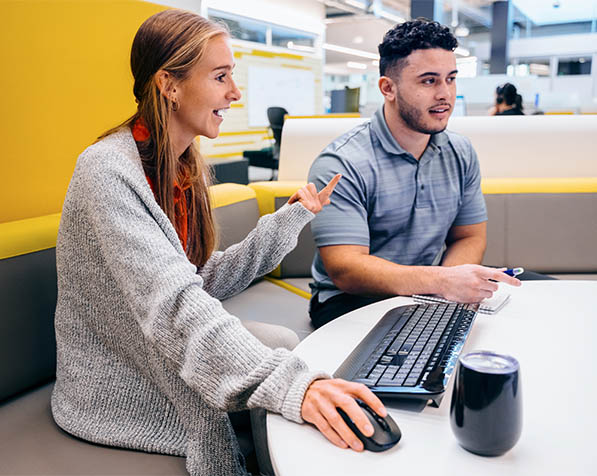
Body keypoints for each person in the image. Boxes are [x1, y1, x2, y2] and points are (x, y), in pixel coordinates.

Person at [51, 9, 386, 476]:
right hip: (114, 377)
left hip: (154, 343)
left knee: (284, 343)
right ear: (170, 85)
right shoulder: (106, 171)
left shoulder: (183, 168)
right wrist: (298, 388)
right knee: (280, 382)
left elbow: (201, 281)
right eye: (221, 76)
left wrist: (289, 220)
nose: (235, 93)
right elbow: (172, 303)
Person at [308, 19, 521, 329]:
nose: (445, 94)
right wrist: (443, 282)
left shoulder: (460, 152)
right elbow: (346, 269)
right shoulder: (342, 162)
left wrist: (451, 287)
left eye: (450, 79)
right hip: (351, 301)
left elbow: (470, 236)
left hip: (428, 292)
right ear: (388, 88)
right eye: (428, 81)